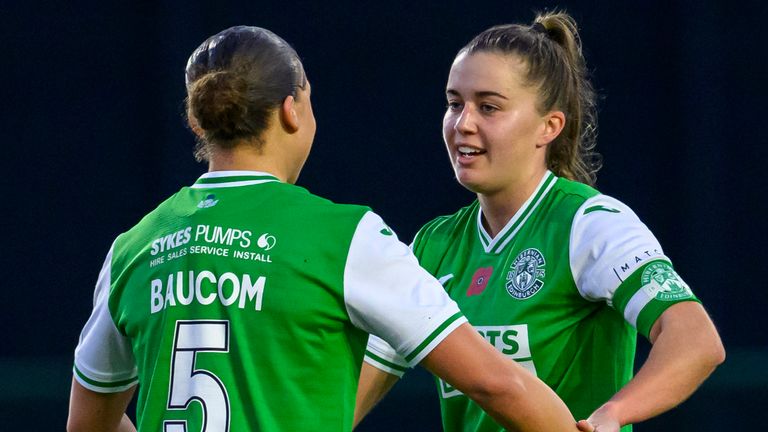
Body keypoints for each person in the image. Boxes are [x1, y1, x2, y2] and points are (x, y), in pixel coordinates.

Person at [66, 25, 584, 432]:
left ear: (197, 121)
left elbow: (87, 424)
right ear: (292, 110)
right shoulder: (345, 238)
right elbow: (497, 385)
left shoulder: (134, 248)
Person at [358, 11, 725, 432]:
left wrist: (614, 413)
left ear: (549, 126)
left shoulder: (589, 224)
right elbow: (355, 389)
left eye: (488, 107)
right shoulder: (433, 245)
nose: (463, 124)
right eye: (454, 103)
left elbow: (696, 340)